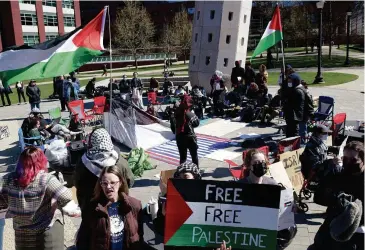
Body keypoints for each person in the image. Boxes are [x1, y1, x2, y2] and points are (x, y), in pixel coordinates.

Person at [0, 146, 80, 250]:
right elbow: (66, 195)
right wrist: (55, 201)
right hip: (44, 233)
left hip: (21, 235)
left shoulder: (8, 179)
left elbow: (2, 203)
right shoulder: (46, 179)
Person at [310, 141, 364, 250]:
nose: (348, 162)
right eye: (345, 159)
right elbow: (319, 197)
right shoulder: (340, 174)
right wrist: (328, 168)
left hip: (355, 234)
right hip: (332, 227)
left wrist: (352, 206)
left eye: (353, 160)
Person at [76, 165, 143, 250]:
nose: (108, 187)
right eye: (104, 183)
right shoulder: (93, 208)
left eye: (112, 183)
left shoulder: (134, 205)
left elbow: (140, 235)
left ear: (121, 182)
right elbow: (83, 239)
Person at [74, 128, 134, 213]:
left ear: (92, 142)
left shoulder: (83, 162)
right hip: (117, 206)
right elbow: (130, 181)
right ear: (108, 140)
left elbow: (77, 183)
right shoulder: (120, 161)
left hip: (91, 209)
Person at [170, 95, 200, 166]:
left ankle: (182, 173)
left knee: (183, 157)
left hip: (179, 138)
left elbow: (173, 128)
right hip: (190, 137)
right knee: (194, 156)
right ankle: (196, 172)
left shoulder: (175, 113)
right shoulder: (190, 114)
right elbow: (196, 123)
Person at [282, 73, 306, 138]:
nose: (289, 83)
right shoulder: (292, 89)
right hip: (290, 114)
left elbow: (291, 102)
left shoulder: (297, 91)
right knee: (289, 130)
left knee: (294, 131)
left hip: (294, 114)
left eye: (290, 81)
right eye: (288, 81)